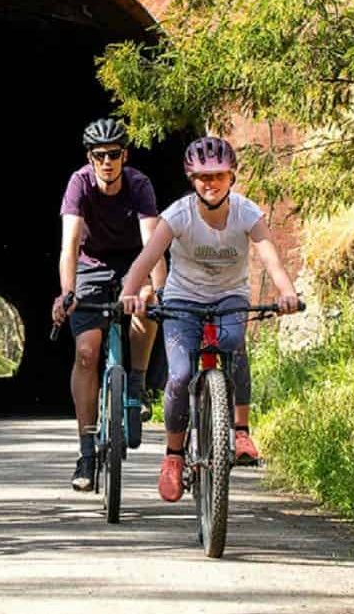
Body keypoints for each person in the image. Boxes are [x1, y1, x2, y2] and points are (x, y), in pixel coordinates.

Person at [120, 136, 301, 502]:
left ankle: (240, 431)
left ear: (231, 177)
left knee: (233, 343)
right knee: (180, 374)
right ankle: (173, 457)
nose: (211, 183)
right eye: (202, 177)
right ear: (191, 179)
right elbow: (146, 258)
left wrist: (287, 293)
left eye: (218, 176)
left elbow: (270, 258)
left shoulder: (247, 213)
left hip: (230, 295)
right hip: (183, 298)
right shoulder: (178, 215)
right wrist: (129, 293)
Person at [51, 117, 164, 492]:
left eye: (114, 154)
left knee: (146, 302)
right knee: (87, 352)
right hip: (91, 268)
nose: (107, 162)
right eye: (99, 155)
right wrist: (68, 292)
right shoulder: (79, 183)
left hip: (134, 264)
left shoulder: (139, 185)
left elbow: (153, 242)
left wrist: (158, 290)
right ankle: (86, 450)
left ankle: (136, 383)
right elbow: (69, 245)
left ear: (124, 156)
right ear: (90, 157)